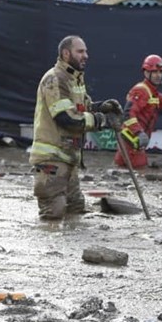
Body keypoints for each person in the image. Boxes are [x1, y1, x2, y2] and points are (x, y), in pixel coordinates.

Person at [28, 35, 122, 220]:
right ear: (65, 53)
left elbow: (82, 109)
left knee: (76, 210)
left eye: (86, 51)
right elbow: (67, 118)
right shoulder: (56, 79)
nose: (86, 55)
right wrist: (101, 120)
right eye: (80, 51)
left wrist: (101, 107)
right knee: (53, 213)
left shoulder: (74, 79)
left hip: (68, 159)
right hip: (52, 160)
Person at [114, 54, 162, 169]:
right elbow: (128, 113)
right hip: (131, 143)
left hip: (134, 143)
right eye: (155, 72)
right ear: (146, 73)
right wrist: (139, 132)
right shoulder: (141, 90)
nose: (158, 75)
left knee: (124, 170)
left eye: (160, 72)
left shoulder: (152, 93)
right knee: (140, 169)